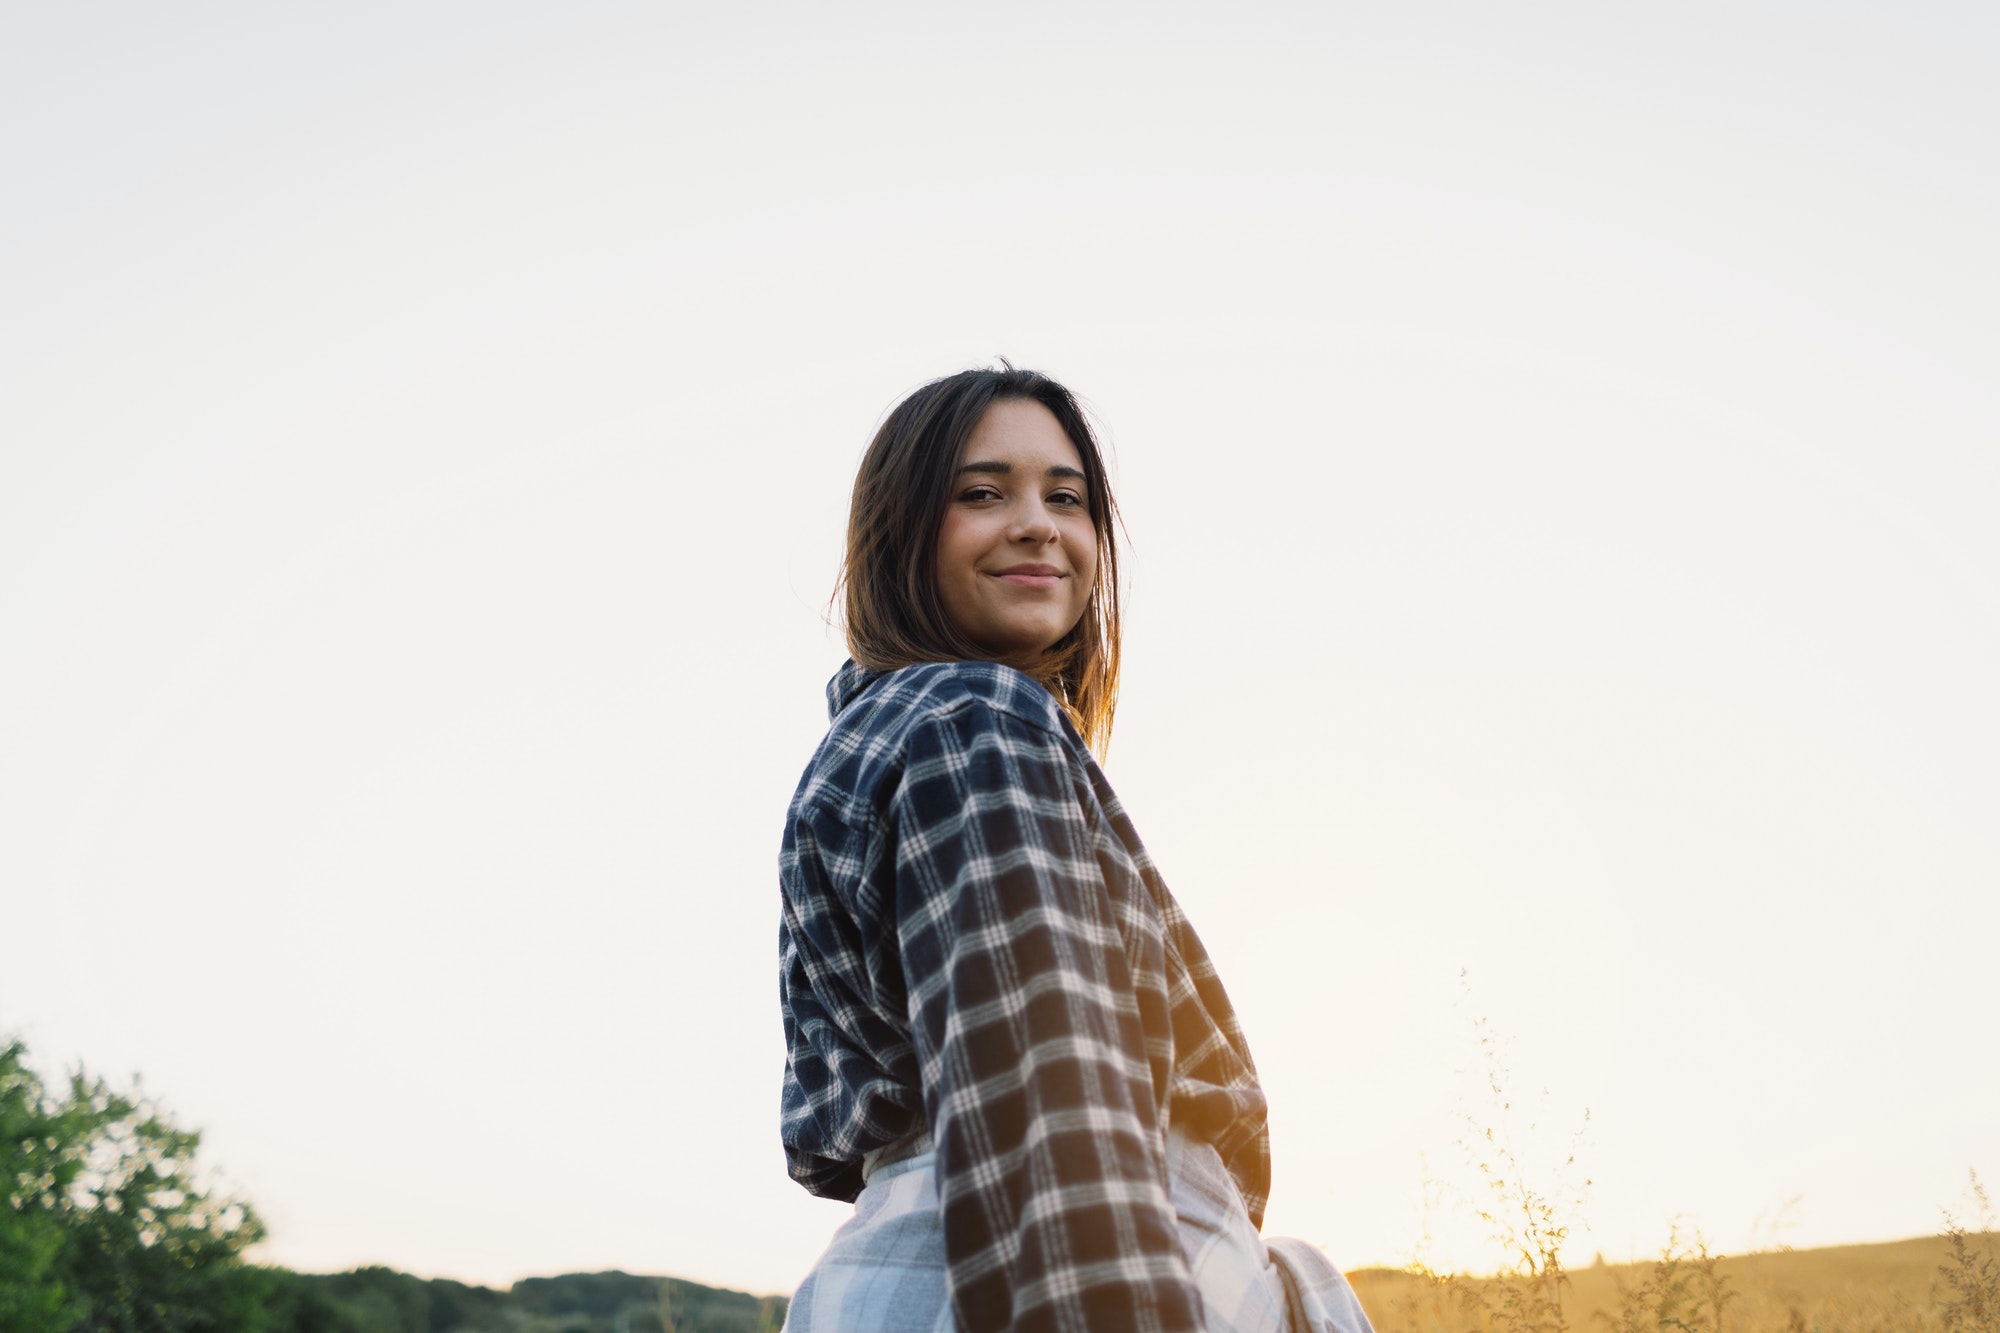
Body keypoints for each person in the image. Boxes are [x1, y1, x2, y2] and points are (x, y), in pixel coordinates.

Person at [777, 365, 1375, 1333]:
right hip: (1056, 1264)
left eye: (1067, 497)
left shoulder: (868, 741)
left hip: (899, 1274)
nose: (1037, 524)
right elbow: (1041, 1086)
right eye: (981, 493)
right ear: (897, 532)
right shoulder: (975, 716)